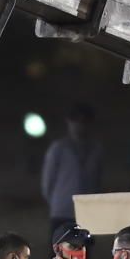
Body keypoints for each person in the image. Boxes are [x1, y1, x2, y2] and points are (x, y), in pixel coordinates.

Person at [41, 103, 103, 242]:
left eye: (84, 121)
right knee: (58, 254)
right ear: (69, 122)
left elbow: (97, 180)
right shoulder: (58, 148)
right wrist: (56, 203)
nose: (80, 125)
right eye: (76, 120)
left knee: (84, 254)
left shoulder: (96, 149)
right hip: (62, 210)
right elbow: (48, 182)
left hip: (87, 210)